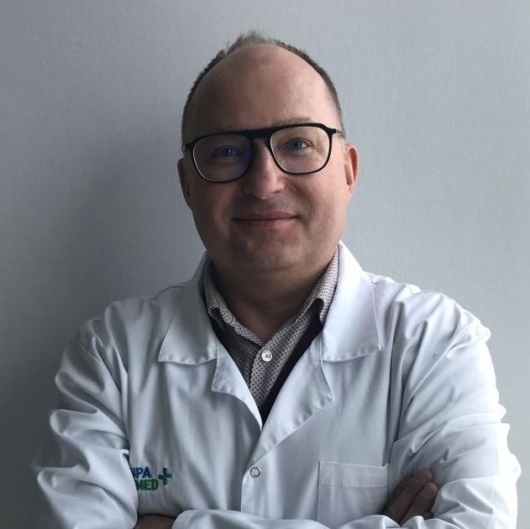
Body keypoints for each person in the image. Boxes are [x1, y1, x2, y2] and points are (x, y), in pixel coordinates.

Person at [33, 32, 519, 529]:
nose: (264, 183)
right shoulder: (112, 353)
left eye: (297, 144)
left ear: (348, 172)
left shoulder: (435, 344)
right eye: (226, 152)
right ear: (187, 185)